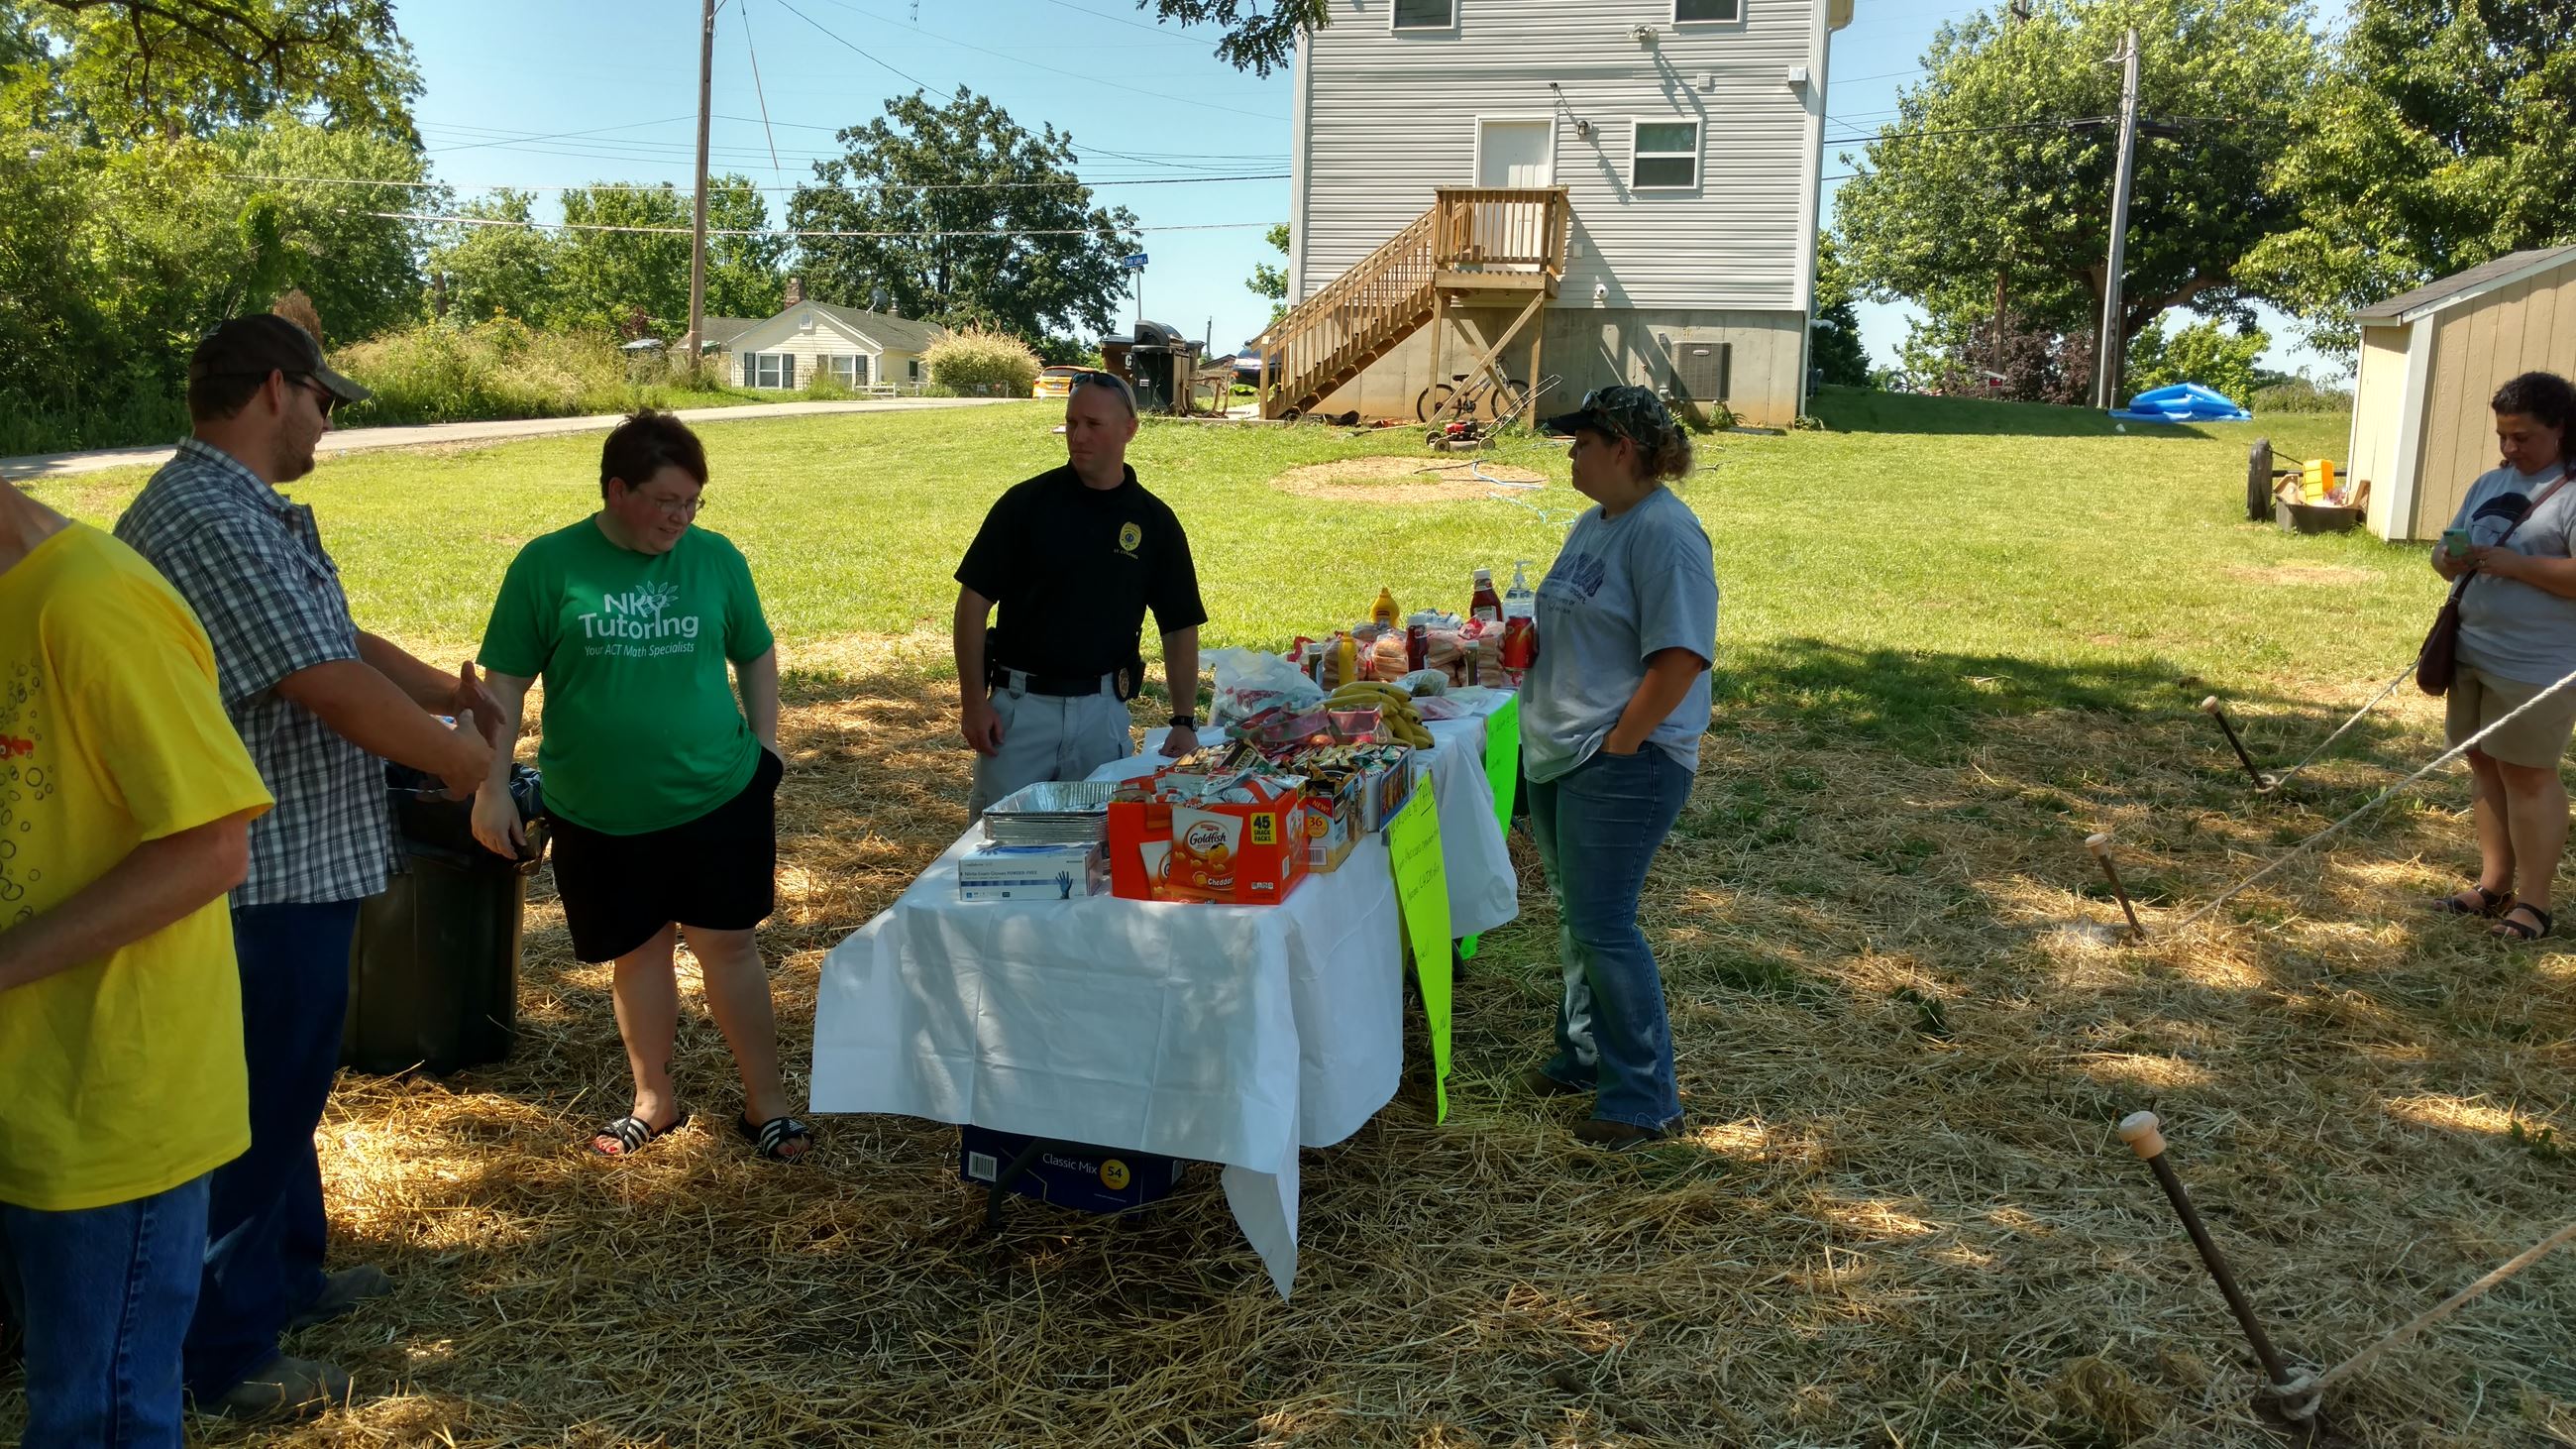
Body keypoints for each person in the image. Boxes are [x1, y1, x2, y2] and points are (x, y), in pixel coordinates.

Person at [114, 314, 497, 1417]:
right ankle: (224, 1356)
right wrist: (462, 761)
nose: (330, 423)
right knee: (249, 1108)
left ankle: (286, 1276)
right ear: (275, 390)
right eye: (326, 401)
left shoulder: (237, 510)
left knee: (289, 1086)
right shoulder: (206, 515)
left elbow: (331, 637)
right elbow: (320, 680)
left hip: (292, 864)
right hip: (251, 875)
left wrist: (436, 688)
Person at [0, 476, 273, 1448]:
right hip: (25, 1089)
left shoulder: (93, 604)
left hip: (106, 1105)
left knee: (96, 1418)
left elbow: (210, 846)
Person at [469, 412, 809, 1163]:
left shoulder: (715, 559)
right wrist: (490, 786)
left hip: (718, 795)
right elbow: (505, 684)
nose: (680, 518)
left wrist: (765, 750)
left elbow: (755, 653)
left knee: (728, 944)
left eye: (692, 502)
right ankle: (653, 1102)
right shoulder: (549, 565)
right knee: (638, 951)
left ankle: (768, 1104)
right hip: (598, 809)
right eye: (665, 502)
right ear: (616, 490)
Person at [1520, 387, 1718, 1151]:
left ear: (1622, 449)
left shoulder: (1665, 534)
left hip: (1623, 758)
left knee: (1604, 925)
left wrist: (1622, 745)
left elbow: (1679, 660)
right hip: (1564, 748)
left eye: (1580, 441)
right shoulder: (1593, 523)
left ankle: (1645, 1100)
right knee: (1579, 916)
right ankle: (1584, 1054)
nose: (1570, 453)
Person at [953, 371, 1209, 814]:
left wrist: (1183, 721)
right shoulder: (1026, 505)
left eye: (1093, 424)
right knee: (999, 855)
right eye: (1072, 423)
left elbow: (1180, 626)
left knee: (1098, 855)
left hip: (1102, 715)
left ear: (1130, 429)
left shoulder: (1154, 522)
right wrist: (974, 703)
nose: (1078, 436)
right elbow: (972, 605)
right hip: (1020, 714)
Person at [2427, 371, 2576, 943]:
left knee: (2529, 775)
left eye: (2524, 437)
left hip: (2538, 665)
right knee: (2484, 762)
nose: (2510, 449)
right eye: (2503, 436)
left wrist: (2516, 565)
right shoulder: (2490, 482)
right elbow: (2452, 544)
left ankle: (2534, 905)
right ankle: (2494, 885)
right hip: (2473, 649)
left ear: (2560, 430)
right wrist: (2448, 557)